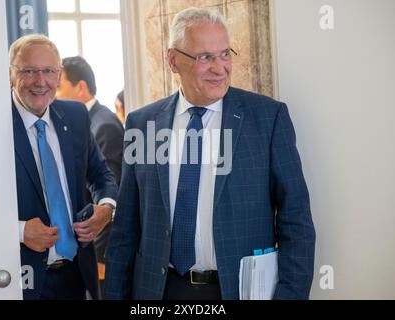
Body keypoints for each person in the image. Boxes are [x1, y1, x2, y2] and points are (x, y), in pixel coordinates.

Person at [104, 7, 315, 300]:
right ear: (173, 60)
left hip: (237, 291)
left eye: (225, 54)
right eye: (205, 57)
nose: (220, 67)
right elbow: (126, 226)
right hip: (160, 290)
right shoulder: (144, 124)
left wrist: (289, 295)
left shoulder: (267, 118)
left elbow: (296, 217)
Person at [10, 34, 118, 300]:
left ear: (58, 75)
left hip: (76, 274)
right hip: (21, 279)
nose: (40, 81)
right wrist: (20, 232)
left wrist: (106, 209)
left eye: (48, 71)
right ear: (11, 75)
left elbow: (102, 175)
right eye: (29, 71)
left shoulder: (76, 115)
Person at [56, 56, 124, 296]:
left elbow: (111, 187)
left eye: (59, 84)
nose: (53, 92)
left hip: (100, 250)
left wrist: (99, 255)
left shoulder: (103, 124)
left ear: (80, 87)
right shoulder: (73, 124)